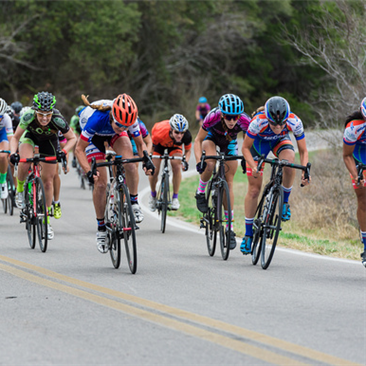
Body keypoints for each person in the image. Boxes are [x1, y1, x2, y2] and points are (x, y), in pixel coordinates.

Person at [74, 93, 154, 254]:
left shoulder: (128, 121)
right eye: (120, 125)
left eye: (127, 126)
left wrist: (147, 160)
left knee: (130, 165)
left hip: (114, 136)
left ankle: (133, 201)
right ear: (112, 117)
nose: (124, 128)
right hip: (94, 138)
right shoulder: (96, 119)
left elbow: (140, 145)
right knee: (101, 183)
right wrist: (89, 172)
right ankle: (101, 228)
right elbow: (79, 149)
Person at [241, 96, 310, 254]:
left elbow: (303, 150)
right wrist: (253, 166)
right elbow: (245, 148)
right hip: (259, 145)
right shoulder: (258, 122)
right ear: (268, 118)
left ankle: (284, 202)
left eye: (281, 123)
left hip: (279, 142)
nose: (278, 127)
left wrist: (305, 169)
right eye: (274, 123)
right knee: (254, 190)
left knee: (289, 161)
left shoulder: (295, 121)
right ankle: (248, 234)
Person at [9, 92, 77, 240]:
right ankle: (20, 190)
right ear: (35, 111)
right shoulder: (28, 116)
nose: (45, 118)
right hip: (30, 137)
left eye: (48, 114)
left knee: (47, 182)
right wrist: (13, 153)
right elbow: (15, 137)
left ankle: (46, 221)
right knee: (24, 161)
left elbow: (72, 138)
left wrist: (64, 152)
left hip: (49, 142)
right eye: (41, 114)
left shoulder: (58, 119)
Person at [194, 94, 250, 249]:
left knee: (229, 183)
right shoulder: (212, 117)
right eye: (229, 117)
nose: (232, 121)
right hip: (211, 138)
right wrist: (199, 162)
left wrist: (248, 159)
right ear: (222, 114)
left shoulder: (245, 121)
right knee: (210, 164)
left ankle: (230, 229)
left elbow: (251, 141)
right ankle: (200, 191)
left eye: (235, 117)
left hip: (230, 143)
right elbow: (198, 140)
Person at [148, 114, 191, 211]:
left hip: (175, 147)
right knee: (154, 170)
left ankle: (175, 198)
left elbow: (188, 151)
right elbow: (152, 147)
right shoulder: (160, 131)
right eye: (177, 132)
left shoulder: (186, 136)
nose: (179, 135)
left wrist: (185, 162)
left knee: (176, 165)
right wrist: (149, 160)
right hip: (159, 145)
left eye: (182, 133)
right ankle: (153, 195)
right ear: (171, 129)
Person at [343, 97, 366, 267]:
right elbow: (346, 155)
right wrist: (356, 175)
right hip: (358, 159)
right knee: (363, 200)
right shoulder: (354, 128)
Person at [0, 98, 14, 199]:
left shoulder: (7, 118)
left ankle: (3, 181)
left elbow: (11, 138)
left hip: (2, 134)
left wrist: (13, 151)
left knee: (3, 156)